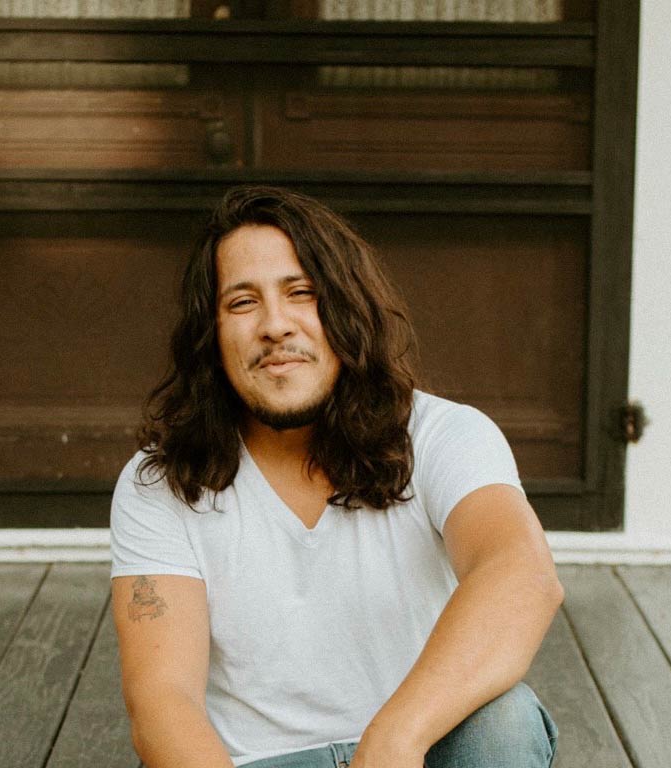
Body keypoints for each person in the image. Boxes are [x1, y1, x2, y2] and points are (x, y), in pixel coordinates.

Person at [109, 186, 563, 768]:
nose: (276, 325)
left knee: (505, 721)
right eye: (242, 303)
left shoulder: (443, 435)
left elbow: (521, 575)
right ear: (210, 334)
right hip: (258, 763)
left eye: (303, 293)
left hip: (415, 748)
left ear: (348, 308)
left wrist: (395, 739)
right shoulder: (161, 483)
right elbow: (161, 701)